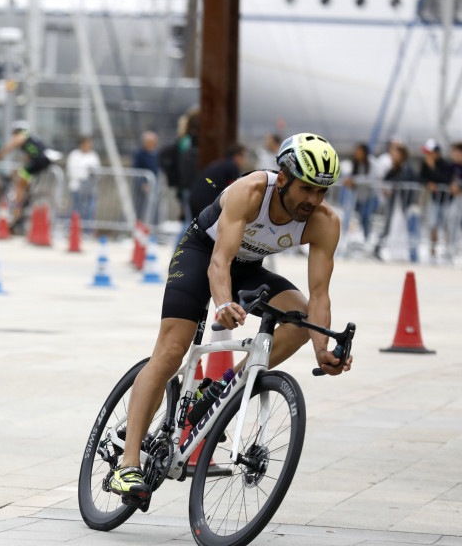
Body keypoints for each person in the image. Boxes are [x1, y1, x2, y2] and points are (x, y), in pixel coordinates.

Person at [108, 133, 352, 502]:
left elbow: (319, 294)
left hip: (249, 266)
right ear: (283, 177)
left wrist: (322, 348)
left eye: (323, 192)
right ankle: (127, 468)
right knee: (172, 350)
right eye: (307, 189)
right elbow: (219, 261)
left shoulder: (324, 221)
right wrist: (223, 304)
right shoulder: (251, 190)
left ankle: (222, 386)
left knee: (300, 317)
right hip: (201, 253)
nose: (314, 201)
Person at [0, 120, 52, 232]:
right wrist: (14, 173)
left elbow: (8, 148)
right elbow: (26, 162)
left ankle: (18, 200)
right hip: (42, 161)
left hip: (39, 160)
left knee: (19, 186)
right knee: (24, 177)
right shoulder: (31, 141)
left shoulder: (21, 136)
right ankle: (24, 197)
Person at [373, 142, 419, 260]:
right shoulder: (395, 168)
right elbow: (387, 179)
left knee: (401, 227)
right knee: (390, 226)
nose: (392, 155)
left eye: (395, 153)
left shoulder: (406, 168)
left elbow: (408, 183)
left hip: (403, 203)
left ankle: (405, 254)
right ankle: (380, 249)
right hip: (395, 203)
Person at [158, 106, 199, 223]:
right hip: (189, 187)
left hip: (185, 187)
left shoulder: (184, 142)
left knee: (189, 220)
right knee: (190, 223)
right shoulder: (188, 143)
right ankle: (183, 242)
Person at [187, 144, 246, 220]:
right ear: (237, 156)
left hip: (194, 197)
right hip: (205, 201)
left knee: (195, 228)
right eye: (244, 157)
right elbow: (238, 189)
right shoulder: (232, 166)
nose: (245, 161)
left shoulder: (222, 164)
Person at [418, 139, 452, 259]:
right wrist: (428, 183)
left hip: (448, 201)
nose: (427, 155)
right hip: (434, 200)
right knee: (433, 225)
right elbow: (421, 178)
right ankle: (432, 251)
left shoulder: (446, 164)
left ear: (436, 152)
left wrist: (432, 168)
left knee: (448, 226)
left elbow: (446, 180)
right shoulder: (425, 163)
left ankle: (448, 251)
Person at [340, 142, 377, 243]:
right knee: (361, 218)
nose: (357, 153)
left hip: (370, 196)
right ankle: (364, 239)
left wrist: (354, 181)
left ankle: (367, 239)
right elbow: (349, 176)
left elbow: (370, 179)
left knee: (366, 217)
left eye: (359, 151)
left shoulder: (371, 163)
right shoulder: (355, 164)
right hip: (359, 197)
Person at [65, 135, 100, 231]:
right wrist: (85, 174)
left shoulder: (93, 155)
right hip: (76, 188)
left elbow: (98, 171)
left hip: (91, 189)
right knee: (76, 210)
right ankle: (70, 230)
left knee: (90, 210)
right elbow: (72, 171)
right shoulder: (74, 155)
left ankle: (87, 232)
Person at [132, 131, 160, 223]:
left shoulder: (157, 154)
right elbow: (136, 170)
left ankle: (154, 226)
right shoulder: (139, 154)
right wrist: (143, 183)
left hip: (155, 185)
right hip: (142, 187)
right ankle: (140, 226)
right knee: (141, 208)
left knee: (154, 207)